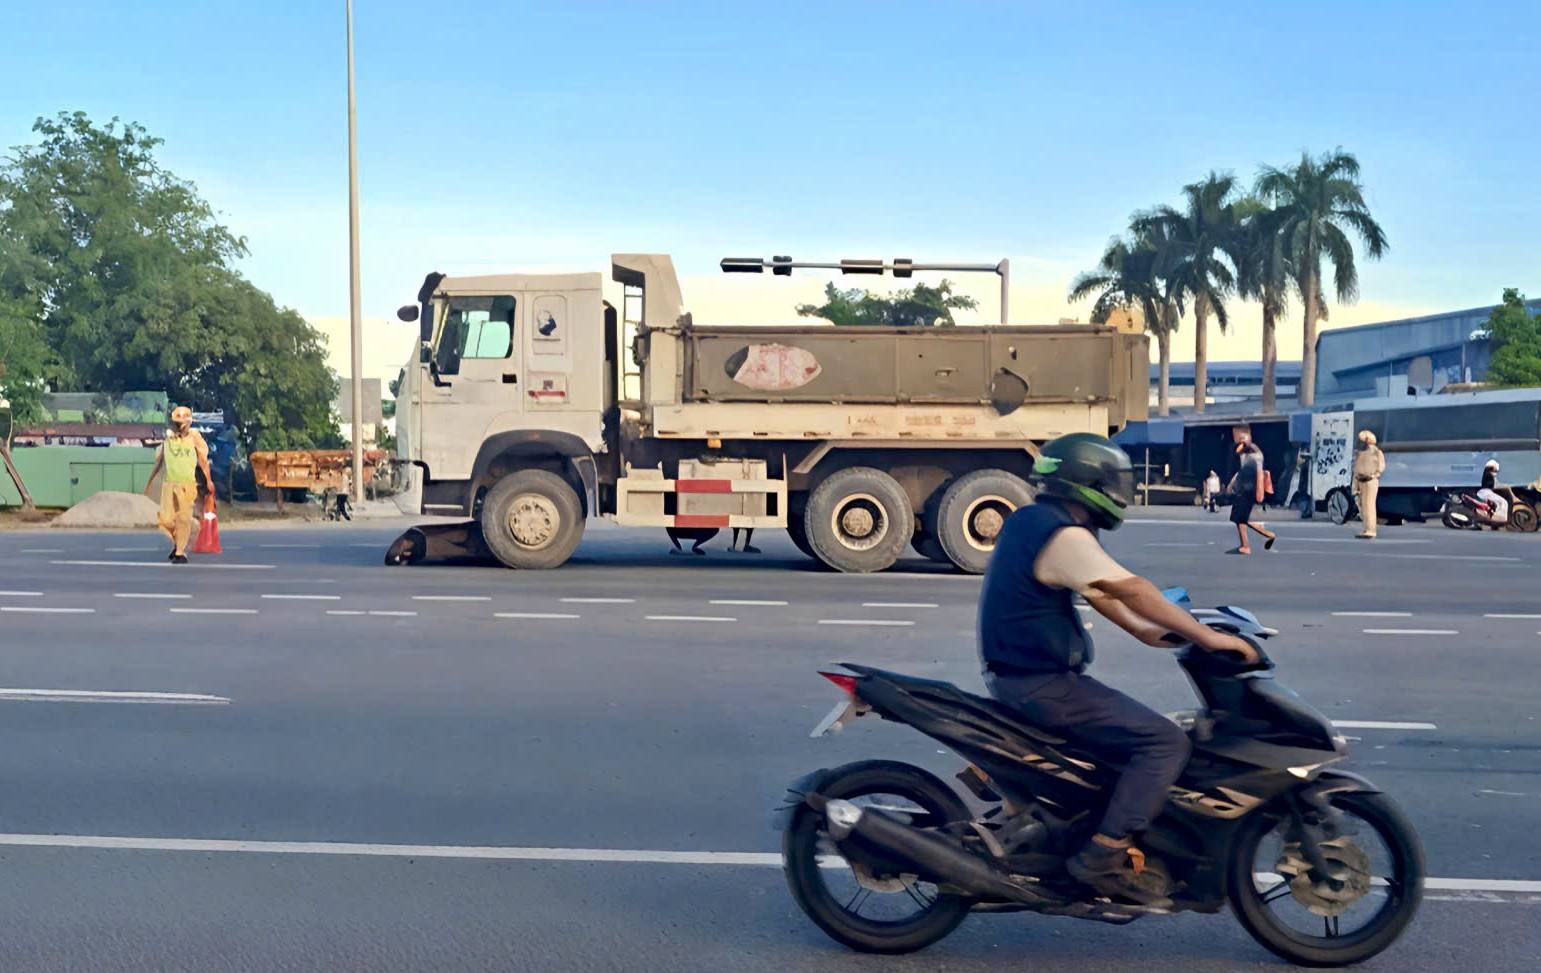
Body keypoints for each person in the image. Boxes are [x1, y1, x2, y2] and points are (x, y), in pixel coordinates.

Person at [978, 433, 1257, 906]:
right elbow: (1131, 589)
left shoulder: (1034, 521)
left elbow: (1101, 594)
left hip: (1022, 677)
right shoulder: (1062, 534)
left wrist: (1150, 633)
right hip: (1042, 685)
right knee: (1164, 742)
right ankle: (1102, 856)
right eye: (1114, 483)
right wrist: (1208, 638)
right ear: (1088, 484)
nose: (1120, 494)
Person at [143, 406, 214, 564]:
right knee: (166, 520)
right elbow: (159, 461)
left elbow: (203, 461)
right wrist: (150, 481)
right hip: (169, 485)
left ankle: (180, 552)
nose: (180, 426)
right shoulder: (168, 439)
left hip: (187, 485)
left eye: (182, 422)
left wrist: (209, 480)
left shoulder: (195, 437)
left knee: (183, 518)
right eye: (177, 422)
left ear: (189, 422)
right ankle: (178, 543)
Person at [1227, 441, 1275, 554]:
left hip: (1248, 493)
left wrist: (1259, 494)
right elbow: (1240, 474)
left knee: (1241, 519)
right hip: (1244, 492)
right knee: (1239, 518)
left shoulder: (1256, 457)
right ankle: (1259, 534)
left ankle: (1245, 546)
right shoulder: (1245, 458)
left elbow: (1258, 476)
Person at [1353, 430, 1385, 539]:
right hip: (1361, 480)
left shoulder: (1376, 452)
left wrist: (1374, 475)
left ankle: (1371, 530)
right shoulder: (1360, 453)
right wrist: (1355, 485)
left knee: (1369, 505)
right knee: (1363, 506)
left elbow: (1381, 467)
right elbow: (1356, 470)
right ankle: (1366, 528)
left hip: (1370, 481)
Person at [1478, 459, 1509, 527]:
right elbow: (1496, 485)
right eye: (1495, 470)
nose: (1496, 472)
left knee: (1500, 502)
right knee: (1503, 502)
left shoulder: (1490, 475)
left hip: (1486, 492)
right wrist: (1506, 486)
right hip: (1485, 492)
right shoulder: (1489, 475)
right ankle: (1498, 517)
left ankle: (1496, 516)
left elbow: (1497, 484)